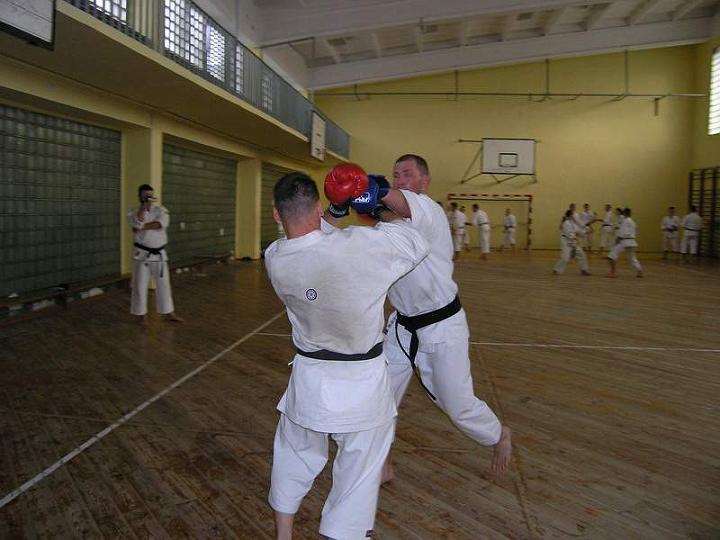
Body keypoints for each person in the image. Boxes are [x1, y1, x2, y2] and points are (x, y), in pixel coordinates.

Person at [265, 167, 429, 540]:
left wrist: (335, 213)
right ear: (317, 206)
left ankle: (283, 535)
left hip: (309, 382)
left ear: (276, 213)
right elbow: (414, 242)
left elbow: (313, 241)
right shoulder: (360, 246)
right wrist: (374, 207)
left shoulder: (275, 258)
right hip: (362, 386)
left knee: (292, 457)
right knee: (356, 480)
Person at [349, 154, 512, 484]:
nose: (401, 180)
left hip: (442, 325)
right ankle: (381, 462)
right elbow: (381, 220)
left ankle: (497, 433)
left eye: (407, 174)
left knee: (458, 404)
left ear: (425, 180)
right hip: (402, 327)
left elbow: (397, 202)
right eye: (396, 175)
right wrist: (364, 203)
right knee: (378, 394)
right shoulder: (390, 226)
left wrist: (374, 189)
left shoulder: (429, 211)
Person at [127, 184, 182, 323]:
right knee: (139, 285)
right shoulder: (133, 211)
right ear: (140, 196)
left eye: (150, 195)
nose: (148, 198)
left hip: (159, 254)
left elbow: (160, 224)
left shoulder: (161, 210)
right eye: (145, 195)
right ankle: (140, 314)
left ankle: (168, 312)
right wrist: (143, 208)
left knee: (164, 284)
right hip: (141, 254)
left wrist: (141, 227)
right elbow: (135, 223)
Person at [607, 207, 643, 278]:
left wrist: (618, 238)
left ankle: (612, 273)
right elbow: (636, 231)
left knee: (611, 256)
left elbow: (624, 232)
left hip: (624, 241)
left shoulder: (625, 221)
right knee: (632, 258)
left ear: (625, 213)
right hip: (632, 241)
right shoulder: (632, 222)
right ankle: (639, 271)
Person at [553, 210, 590, 275]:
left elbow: (578, 232)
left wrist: (585, 232)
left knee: (582, 255)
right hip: (566, 242)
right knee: (565, 257)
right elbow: (569, 234)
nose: (575, 216)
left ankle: (584, 270)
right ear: (570, 215)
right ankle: (556, 269)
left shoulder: (574, 224)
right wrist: (575, 238)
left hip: (573, 242)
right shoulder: (566, 223)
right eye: (574, 215)